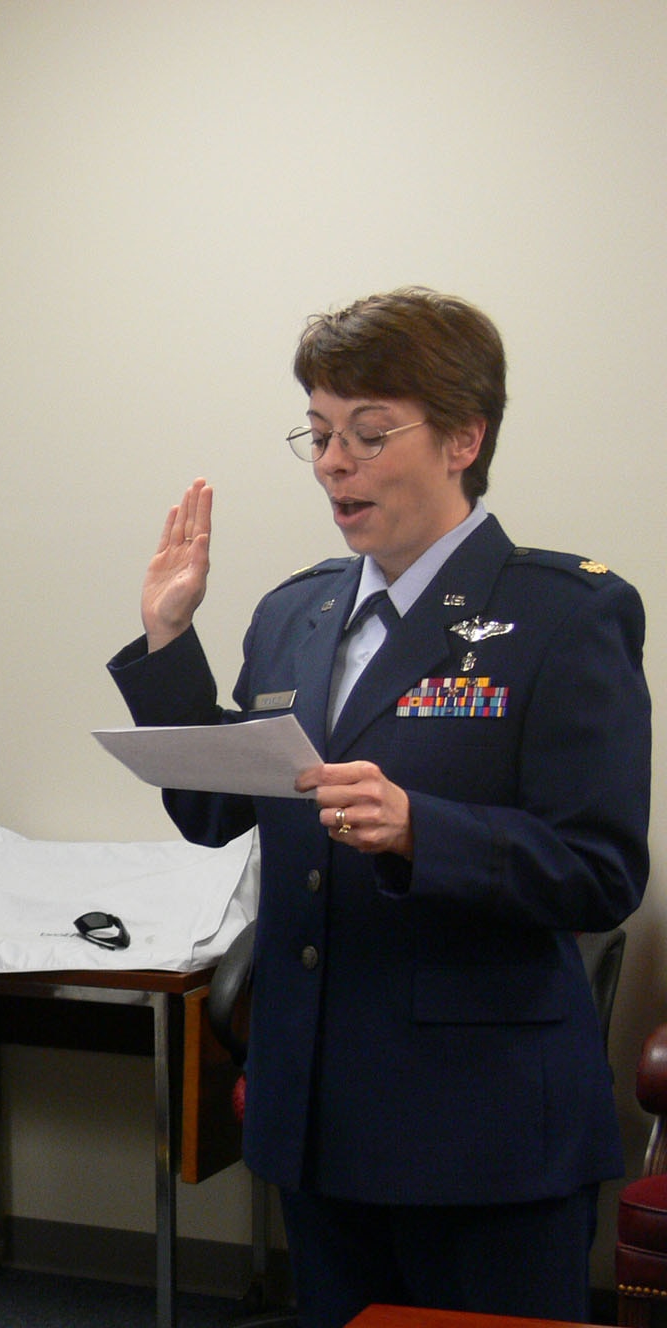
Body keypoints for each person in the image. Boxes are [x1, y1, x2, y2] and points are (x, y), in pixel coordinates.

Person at [108, 288, 649, 1326]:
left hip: (480, 1122)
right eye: (315, 435)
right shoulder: (293, 613)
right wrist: (169, 644)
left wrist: (420, 829)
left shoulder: (561, 615)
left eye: (365, 432)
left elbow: (600, 870)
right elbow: (218, 808)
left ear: (461, 437)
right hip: (317, 1107)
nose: (330, 464)